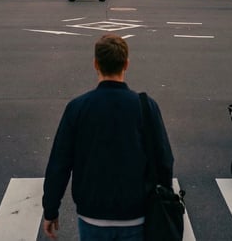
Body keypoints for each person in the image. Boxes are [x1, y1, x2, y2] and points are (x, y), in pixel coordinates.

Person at [42, 34, 174, 240]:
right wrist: (163, 202)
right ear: (126, 64)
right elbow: (164, 160)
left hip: (92, 213)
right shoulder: (146, 107)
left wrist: (50, 209)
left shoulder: (78, 107)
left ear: (96, 64)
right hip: (136, 212)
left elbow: (59, 164)